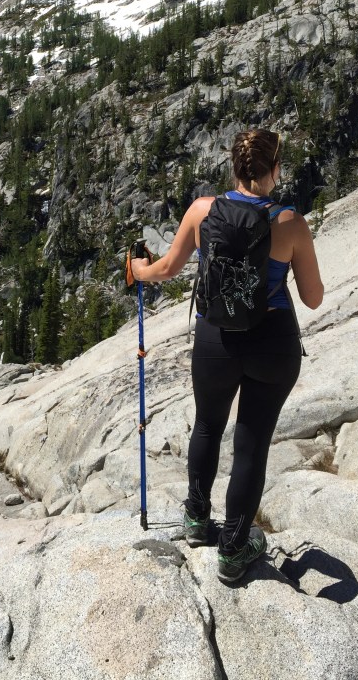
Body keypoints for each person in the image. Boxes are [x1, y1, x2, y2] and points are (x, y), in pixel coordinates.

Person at [130, 128, 323, 583]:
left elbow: (166, 269)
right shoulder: (290, 223)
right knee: (251, 444)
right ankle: (234, 549)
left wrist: (138, 269)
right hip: (271, 344)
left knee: (207, 425)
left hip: (215, 340)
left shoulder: (203, 210)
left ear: (234, 167)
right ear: (275, 170)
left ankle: (197, 519)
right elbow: (313, 298)